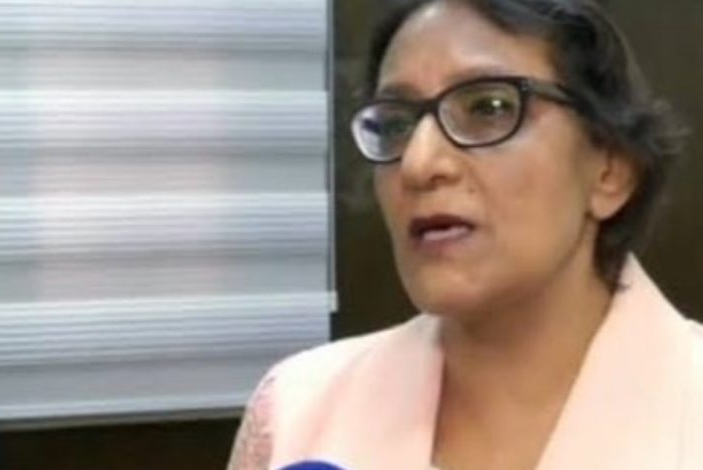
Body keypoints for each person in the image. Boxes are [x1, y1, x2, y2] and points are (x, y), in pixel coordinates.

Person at [227, 0, 703, 469]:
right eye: (395, 124)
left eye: (488, 108)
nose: (418, 163)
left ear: (610, 172)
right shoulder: (295, 412)